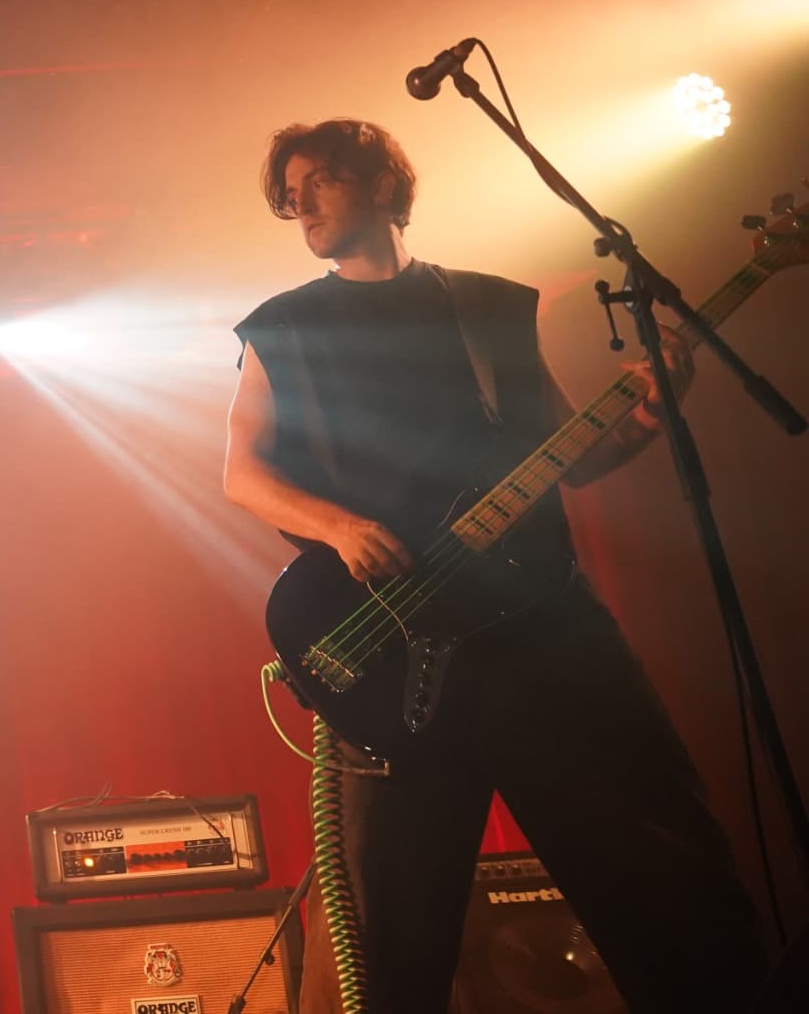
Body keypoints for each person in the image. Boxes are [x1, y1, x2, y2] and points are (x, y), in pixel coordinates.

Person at [221, 118, 765, 1009]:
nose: (300, 204)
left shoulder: (488, 307)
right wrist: (339, 527)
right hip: (394, 647)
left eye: (320, 180)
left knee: (669, 877)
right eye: (290, 193)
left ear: (384, 186)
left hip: (544, 635)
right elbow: (243, 474)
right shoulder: (282, 327)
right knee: (392, 941)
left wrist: (641, 418)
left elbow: (567, 455)